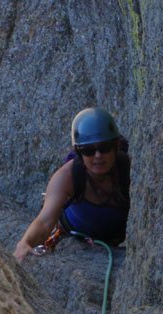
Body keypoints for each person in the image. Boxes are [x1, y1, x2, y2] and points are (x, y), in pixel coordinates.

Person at [14, 107, 130, 264]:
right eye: (88, 150)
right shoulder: (67, 176)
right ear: (79, 152)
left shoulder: (129, 170)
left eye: (104, 147)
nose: (97, 156)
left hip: (116, 235)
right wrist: (25, 243)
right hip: (74, 232)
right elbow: (45, 221)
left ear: (116, 146)